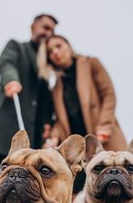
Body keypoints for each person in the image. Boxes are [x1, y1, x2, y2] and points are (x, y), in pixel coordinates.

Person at [0, 14, 58, 203]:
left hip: (32, 138)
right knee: (2, 186)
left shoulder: (46, 63)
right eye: (45, 27)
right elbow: (7, 64)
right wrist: (11, 80)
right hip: (8, 131)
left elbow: (46, 100)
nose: (47, 32)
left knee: (25, 190)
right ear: (33, 26)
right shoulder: (17, 47)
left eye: (51, 30)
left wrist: (49, 123)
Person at [37, 34, 127, 194]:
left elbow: (108, 94)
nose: (55, 52)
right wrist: (54, 136)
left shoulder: (91, 63)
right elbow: (59, 118)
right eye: (50, 51)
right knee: (76, 191)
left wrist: (105, 125)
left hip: (103, 136)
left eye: (59, 46)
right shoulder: (57, 86)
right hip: (78, 148)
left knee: (115, 186)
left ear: (68, 46)